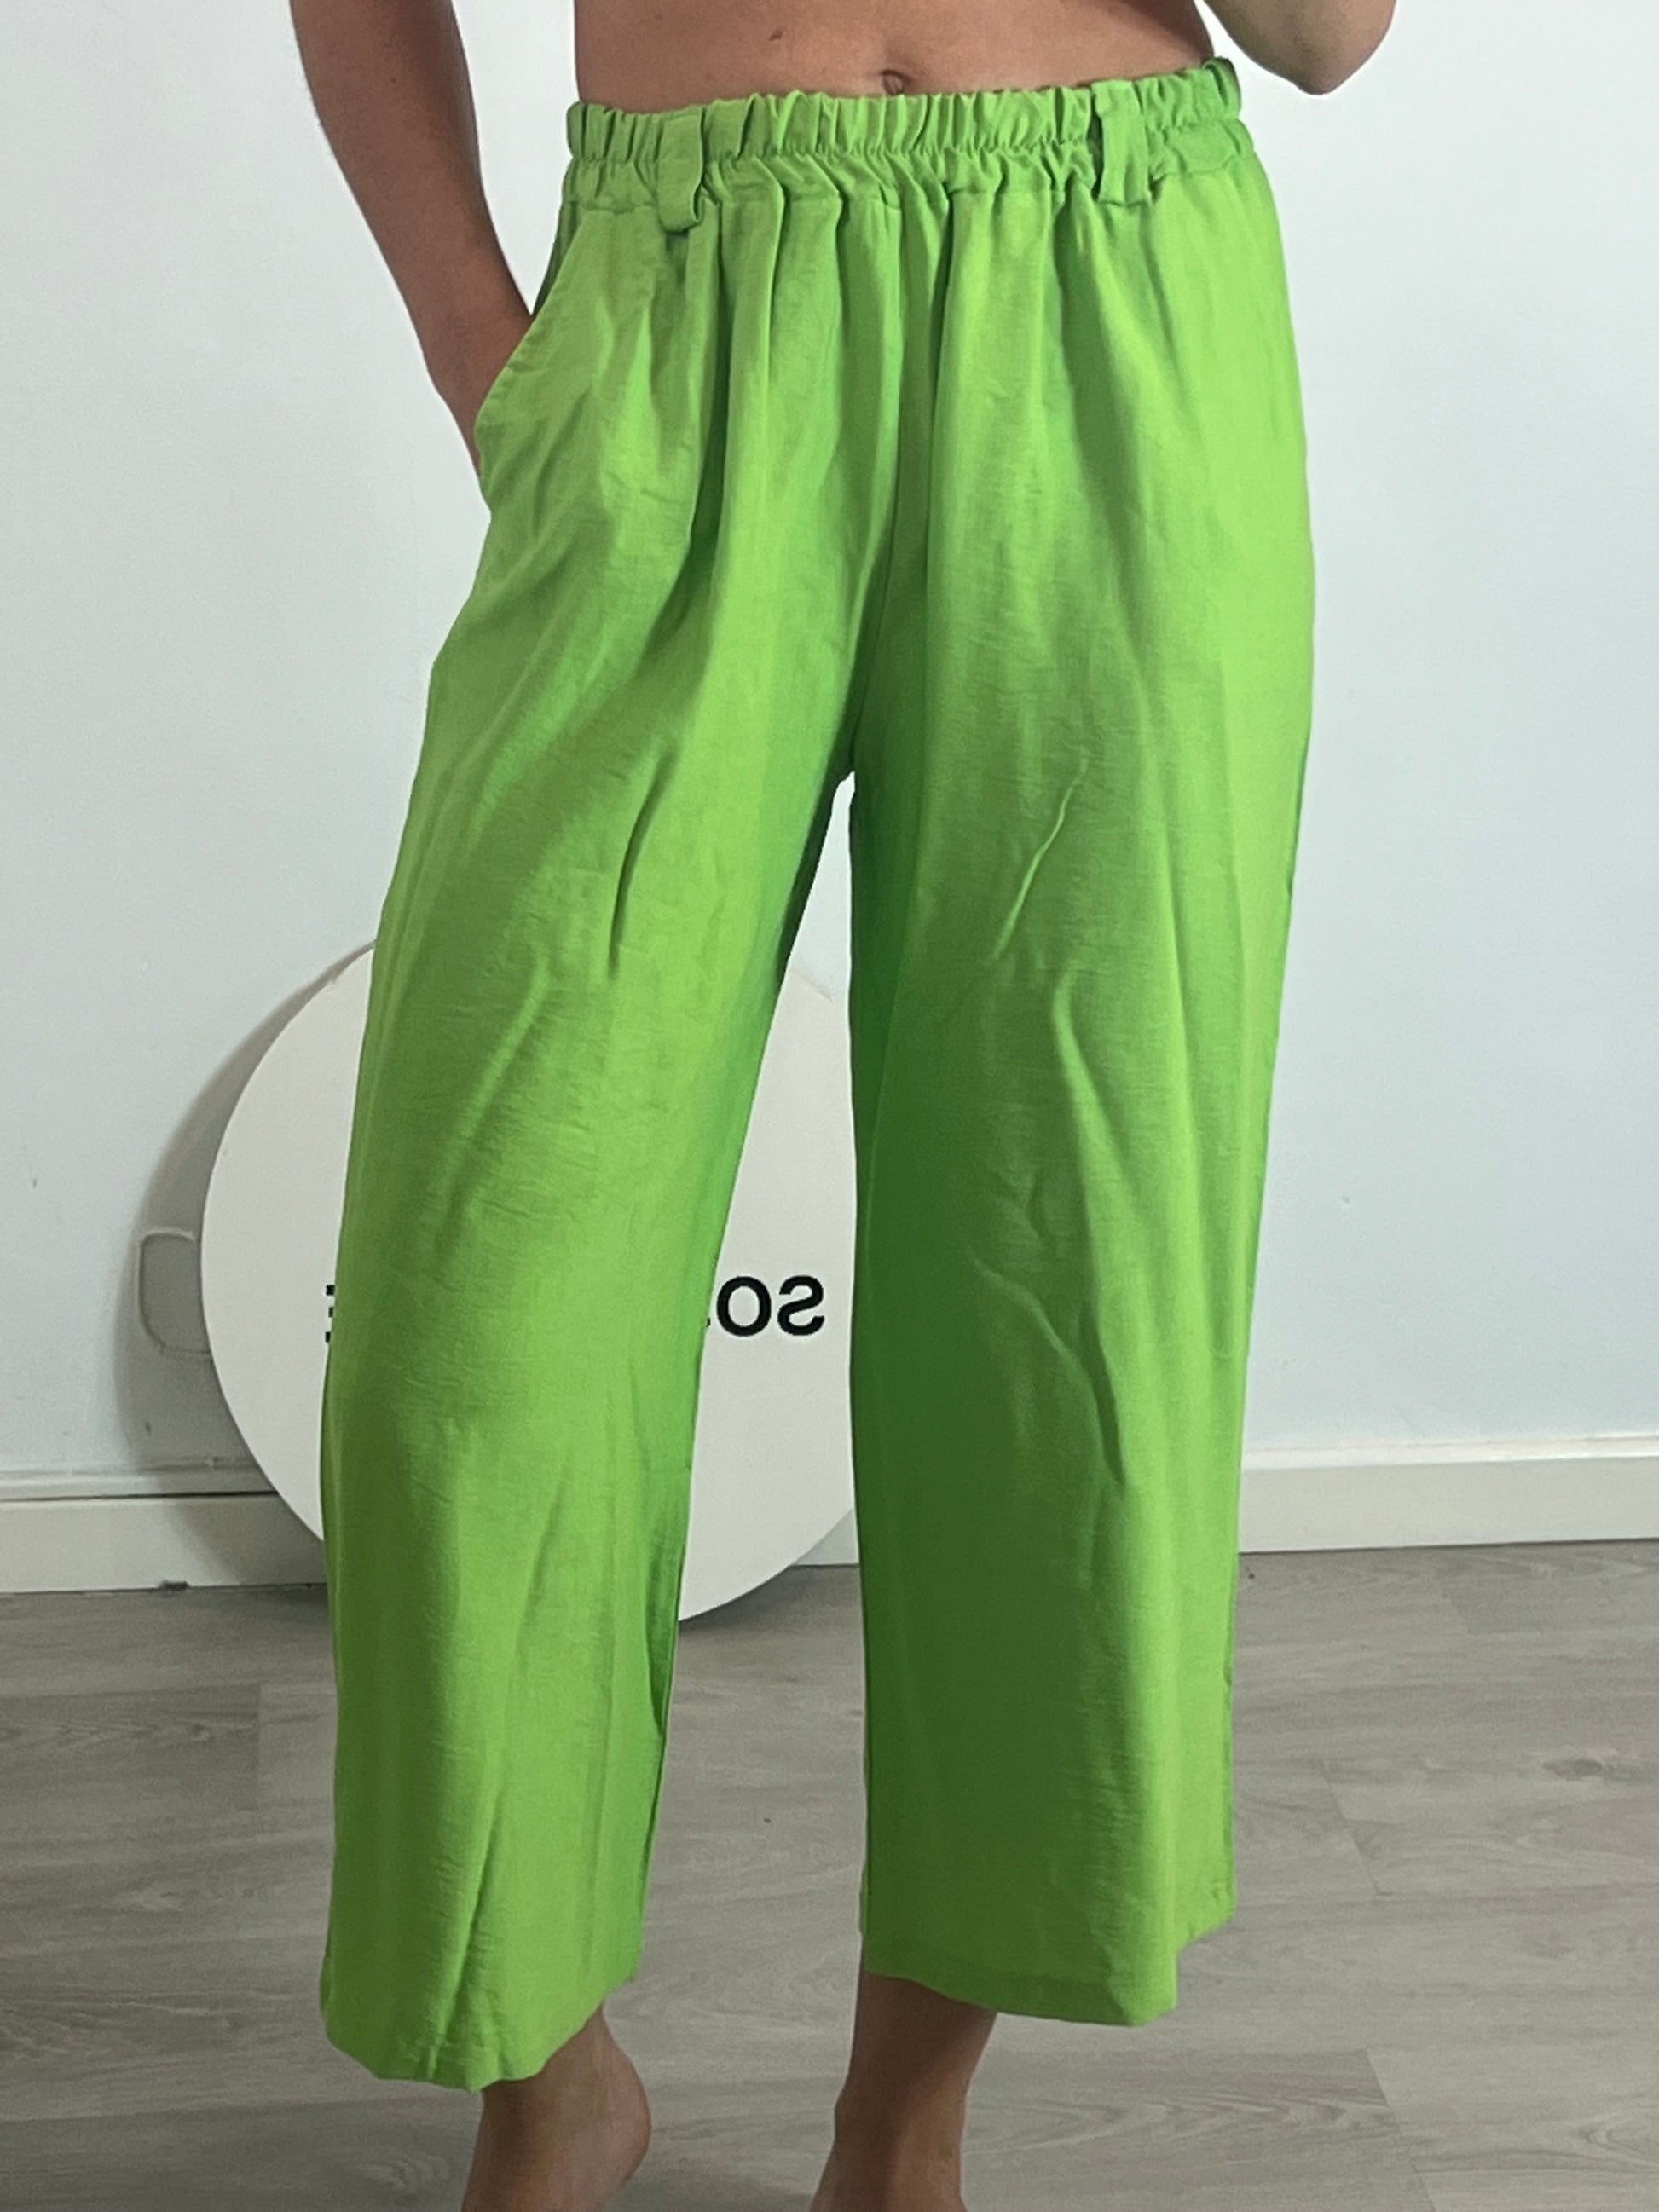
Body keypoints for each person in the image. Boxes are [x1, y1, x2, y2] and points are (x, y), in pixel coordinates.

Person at [287, 1, 1395, 2207]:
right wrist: (481, 346)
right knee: (476, 1323)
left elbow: (1332, 38)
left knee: (1066, 1250)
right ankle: (549, 2080)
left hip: (1107, 298)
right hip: (675, 314)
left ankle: (904, 2123)